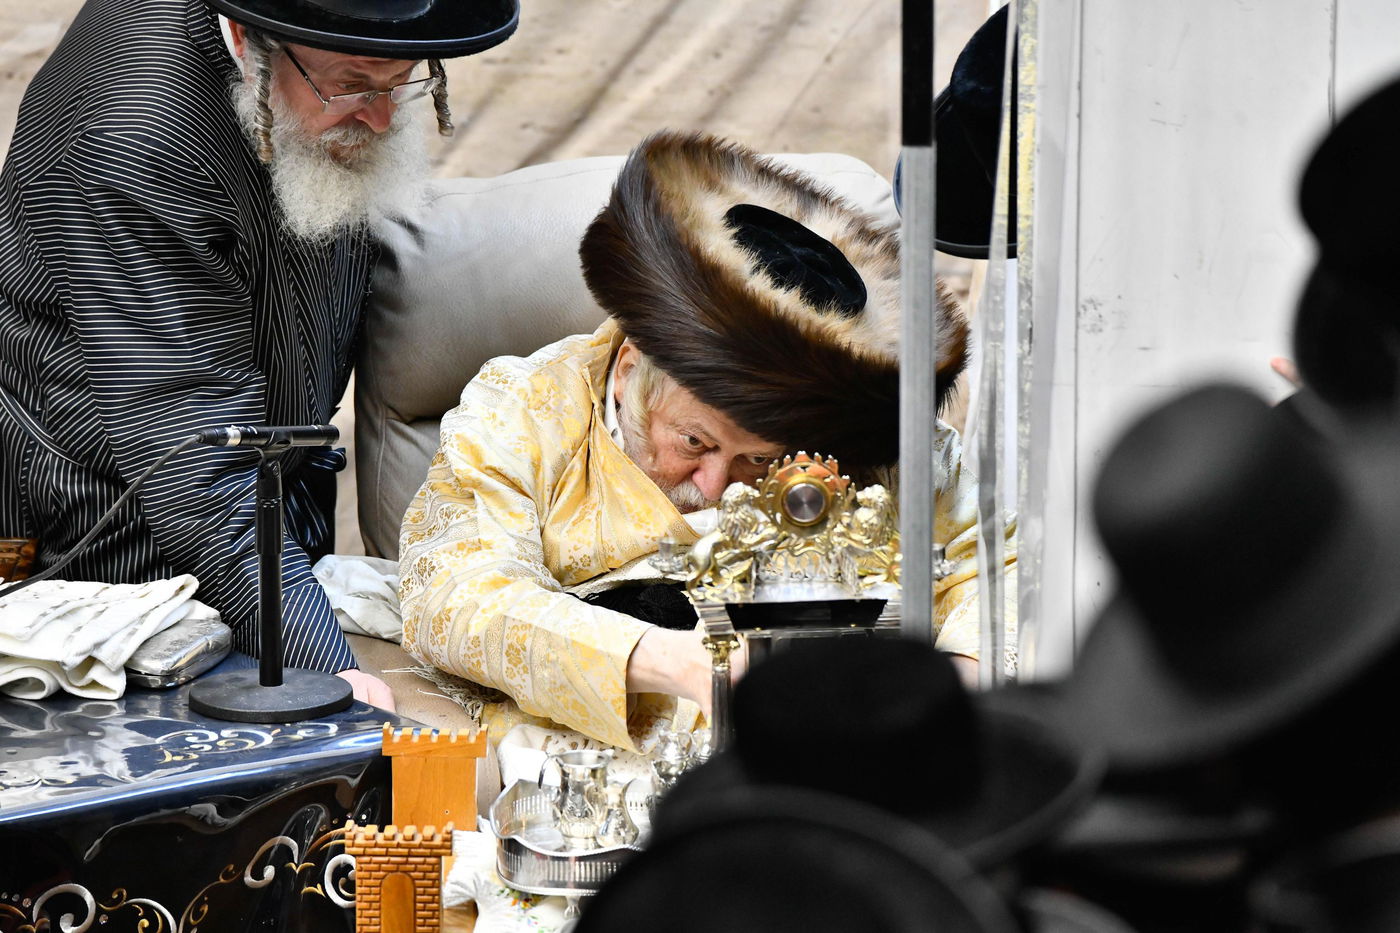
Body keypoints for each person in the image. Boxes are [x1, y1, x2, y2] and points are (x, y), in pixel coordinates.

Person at [398, 131, 1011, 751]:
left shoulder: (853, 432)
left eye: (760, 459)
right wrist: (677, 662)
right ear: (631, 369)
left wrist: (954, 688)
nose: (716, 485)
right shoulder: (525, 406)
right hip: (596, 763)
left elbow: (1000, 569)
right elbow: (456, 597)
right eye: (693, 441)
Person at [0, 0, 518, 707]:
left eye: (402, 82)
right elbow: (196, 462)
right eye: (352, 83)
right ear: (248, 38)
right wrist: (331, 680)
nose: (382, 116)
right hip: (109, 542)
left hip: (263, 515)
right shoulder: (134, 136)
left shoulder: (311, 59)